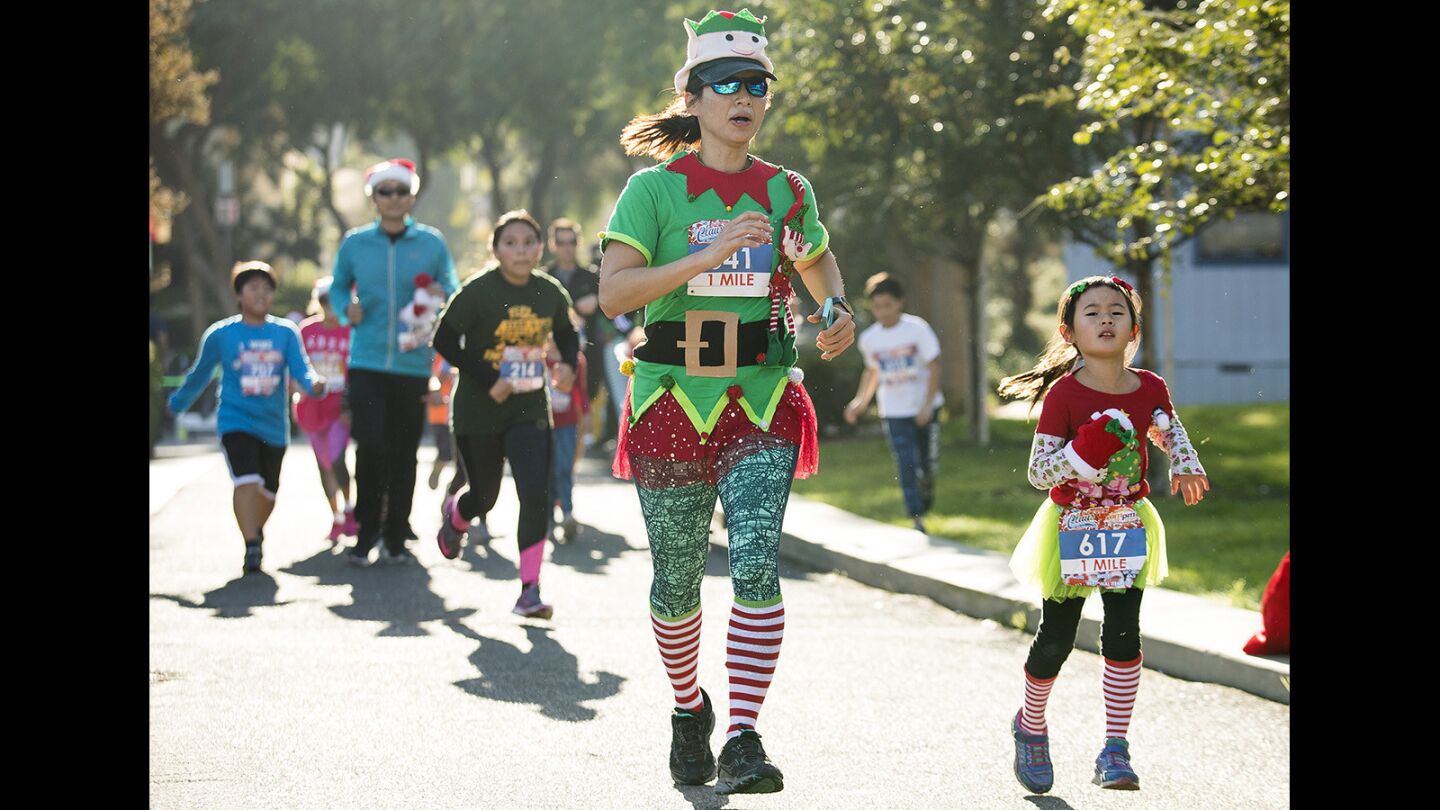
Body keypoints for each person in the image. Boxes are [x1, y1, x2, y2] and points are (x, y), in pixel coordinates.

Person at [598, 8, 856, 794]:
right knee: (676, 580)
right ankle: (688, 709)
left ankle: (743, 734)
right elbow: (614, 295)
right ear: (693, 96)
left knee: (754, 561)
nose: (744, 97)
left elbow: (819, 265)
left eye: (757, 86)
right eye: (727, 85)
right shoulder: (653, 191)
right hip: (672, 397)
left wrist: (835, 311)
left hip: (762, 396)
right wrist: (707, 253)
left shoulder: (787, 190)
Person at [996, 275, 1210, 794]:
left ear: (1134, 328)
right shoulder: (1065, 394)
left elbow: (1165, 427)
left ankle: (1115, 748)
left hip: (1125, 523)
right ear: (1069, 331)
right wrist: (1082, 452)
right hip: (1072, 527)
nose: (1106, 318)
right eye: (1091, 312)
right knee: (1057, 638)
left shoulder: (1150, 386)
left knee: (1122, 635)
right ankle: (1031, 724)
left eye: (1117, 311)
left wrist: (1185, 462)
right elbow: (1039, 472)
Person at [432, 210, 579, 619]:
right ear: (495, 249)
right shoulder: (477, 291)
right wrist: (485, 375)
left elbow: (566, 335)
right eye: (510, 243)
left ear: (540, 248)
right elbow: (443, 339)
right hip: (479, 408)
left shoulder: (549, 292)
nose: (520, 250)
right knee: (485, 497)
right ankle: (457, 516)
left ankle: (529, 590)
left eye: (528, 242)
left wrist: (567, 363)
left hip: (529, 407)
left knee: (535, 492)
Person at [330, 158, 459, 566]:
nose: (393, 199)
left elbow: (453, 289)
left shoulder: (432, 243)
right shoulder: (354, 243)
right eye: (385, 192)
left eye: (400, 191)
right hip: (366, 362)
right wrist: (343, 307)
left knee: (404, 450)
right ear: (373, 197)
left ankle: (396, 534)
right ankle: (365, 532)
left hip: (412, 365)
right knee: (369, 448)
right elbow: (336, 288)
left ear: (412, 196)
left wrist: (440, 292)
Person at [168, 261, 325, 573]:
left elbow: (301, 368)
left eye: (267, 290)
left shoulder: (285, 332)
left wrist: (314, 385)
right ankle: (251, 546)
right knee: (246, 479)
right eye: (253, 288)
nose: (261, 294)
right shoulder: (221, 335)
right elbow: (199, 374)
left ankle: (253, 530)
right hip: (235, 419)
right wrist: (176, 404)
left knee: (268, 491)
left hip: (274, 426)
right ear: (239, 295)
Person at [843, 272, 943, 533]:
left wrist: (926, 406)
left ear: (900, 302)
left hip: (925, 408)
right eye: (877, 307)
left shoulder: (917, 329)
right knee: (906, 463)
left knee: (926, 465)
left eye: (888, 305)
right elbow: (873, 372)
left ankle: (927, 488)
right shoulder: (870, 339)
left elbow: (934, 367)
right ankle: (916, 518)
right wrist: (860, 401)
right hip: (894, 411)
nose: (883, 312)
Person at [294, 276, 357, 542]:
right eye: (324, 299)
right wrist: (294, 396)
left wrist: (351, 404)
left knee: (337, 459)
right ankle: (335, 517)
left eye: (334, 299)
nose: (329, 305)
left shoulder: (352, 330)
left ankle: (349, 509)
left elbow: (357, 371)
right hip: (311, 407)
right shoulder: (306, 330)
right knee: (323, 465)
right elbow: (295, 366)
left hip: (339, 409)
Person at [546, 328, 590, 543]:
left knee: (565, 467)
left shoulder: (576, 360)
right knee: (547, 471)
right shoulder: (539, 360)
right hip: (544, 424)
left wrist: (586, 415)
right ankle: (548, 519)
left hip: (567, 423)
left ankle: (567, 514)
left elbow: (581, 390)